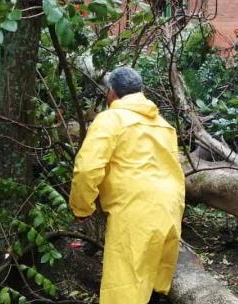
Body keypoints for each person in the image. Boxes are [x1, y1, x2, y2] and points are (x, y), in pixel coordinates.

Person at [69, 67, 186, 303]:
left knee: (125, 290)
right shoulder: (163, 124)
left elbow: (87, 168)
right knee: (154, 286)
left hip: (135, 213)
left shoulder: (111, 119)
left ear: (111, 92)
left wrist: (82, 208)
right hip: (170, 209)